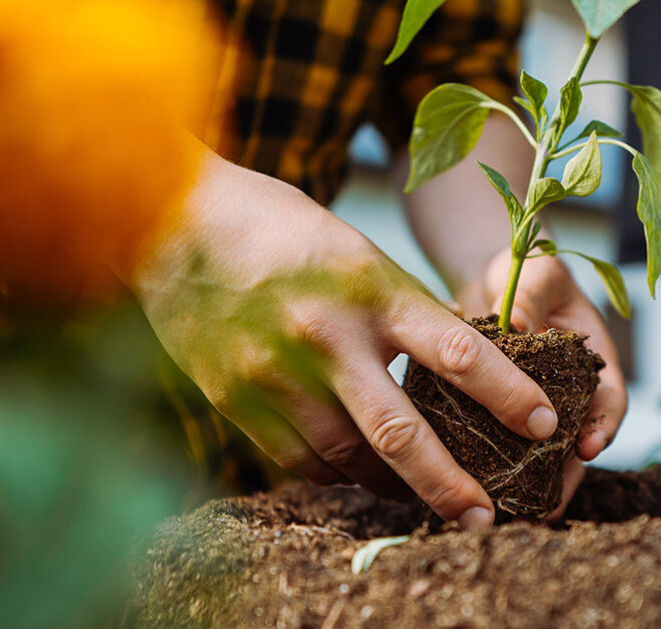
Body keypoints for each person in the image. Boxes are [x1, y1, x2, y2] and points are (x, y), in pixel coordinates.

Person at [129, 0, 627, 529]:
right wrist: (171, 216)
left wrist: (501, 255)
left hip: (275, 429)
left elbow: (452, 76)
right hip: (71, 358)